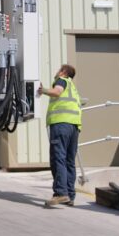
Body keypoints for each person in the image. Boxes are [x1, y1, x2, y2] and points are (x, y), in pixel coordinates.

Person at [38, 64, 82, 207]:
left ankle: (60, 193)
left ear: (63, 72)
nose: (56, 72)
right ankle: (70, 195)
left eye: (59, 70)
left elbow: (57, 92)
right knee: (69, 161)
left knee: (58, 158)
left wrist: (42, 90)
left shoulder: (62, 80)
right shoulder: (73, 87)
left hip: (61, 124)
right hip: (74, 126)